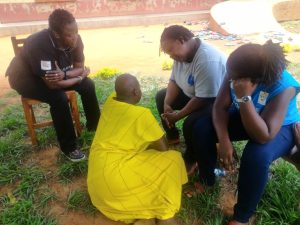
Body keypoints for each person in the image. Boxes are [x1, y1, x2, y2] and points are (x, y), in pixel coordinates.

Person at [192, 40, 300, 224]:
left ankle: (241, 216)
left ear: (254, 79)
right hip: (247, 113)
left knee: (256, 155)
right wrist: (224, 140)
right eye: (230, 75)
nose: (230, 80)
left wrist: (244, 98)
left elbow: (264, 135)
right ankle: (207, 180)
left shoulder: (284, 87)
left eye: (234, 78)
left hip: (279, 127)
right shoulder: (237, 70)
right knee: (201, 126)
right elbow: (219, 107)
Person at [87, 74, 187, 225]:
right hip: (117, 181)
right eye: (140, 89)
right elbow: (163, 148)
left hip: (98, 183)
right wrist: (152, 135)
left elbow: (119, 89)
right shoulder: (141, 115)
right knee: (173, 159)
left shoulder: (110, 102)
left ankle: (143, 216)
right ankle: (164, 214)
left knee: (144, 155)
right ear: (135, 92)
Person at [5, 9, 100, 162]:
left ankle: (94, 126)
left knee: (88, 84)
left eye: (76, 31)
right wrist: (78, 78)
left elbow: (79, 67)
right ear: (57, 34)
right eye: (70, 34)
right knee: (58, 98)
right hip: (25, 78)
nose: (75, 37)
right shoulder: (39, 44)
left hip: (56, 74)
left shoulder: (76, 39)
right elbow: (53, 85)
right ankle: (69, 147)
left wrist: (67, 75)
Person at [156, 25, 227, 173]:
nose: (170, 56)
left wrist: (178, 115)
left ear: (181, 40)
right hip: (196, 94)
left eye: (170, 50)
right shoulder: (182, 55)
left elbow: (203, 99)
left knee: (190, 123)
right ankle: (173, 136)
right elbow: (174, 81)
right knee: (161, 96)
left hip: (215, 101)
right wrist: (167, 103)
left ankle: (191, 158)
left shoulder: (207, 60)